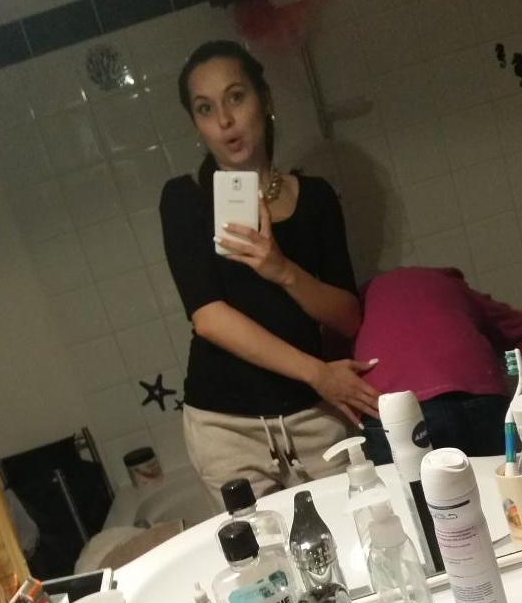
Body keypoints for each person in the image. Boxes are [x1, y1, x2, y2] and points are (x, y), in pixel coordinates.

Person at [159, 40, 378, 510]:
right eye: (205, 108)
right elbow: (209, 319)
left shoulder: (316, 198)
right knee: (264, 555)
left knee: (358, 531)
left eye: (236, 97)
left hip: (315, 417)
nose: (225, 120)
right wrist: (318, 374)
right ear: (196, 125)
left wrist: (282, 269)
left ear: (265, 99)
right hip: (226, 428)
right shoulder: (184, 201)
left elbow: (348, 318)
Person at [354, 266, 522, 462]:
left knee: (408, 483)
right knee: (505, 475)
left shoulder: (355, 308)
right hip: (480, 395)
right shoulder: (448, 283)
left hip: (393, 412)